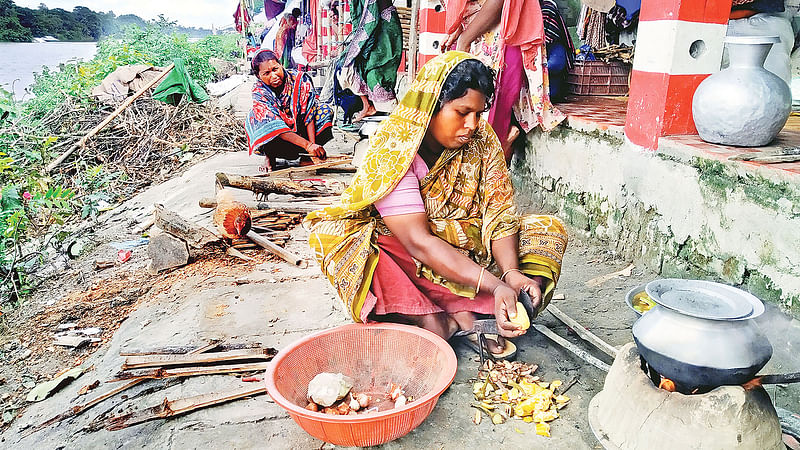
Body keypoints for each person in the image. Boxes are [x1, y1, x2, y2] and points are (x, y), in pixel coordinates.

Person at [305, 52, 568, 358]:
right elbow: (418, 242)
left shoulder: (483, 140)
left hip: (473, 256)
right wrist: (494, 286)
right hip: (417, 257)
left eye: (478, 114)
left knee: (547, 231)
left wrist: (510, 274)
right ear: (432, 107)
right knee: (343, 240)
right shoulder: (395, 146)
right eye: (461, 112)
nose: (471, 124)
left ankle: (464, 316)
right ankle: (437, 317)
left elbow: (500, 213)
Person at [443, 0, 565, 163]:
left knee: (487, 123)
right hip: (474, 33)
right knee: (464, 116)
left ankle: (497, 160)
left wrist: (465, 39)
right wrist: (459, 28)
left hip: (501, 35)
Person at [245, 49, 333, 172]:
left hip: (302, 134)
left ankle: (306, 157)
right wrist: (308, 146)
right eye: (267, 73)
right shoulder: (259, 91)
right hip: (279, 141)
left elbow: (309, 113)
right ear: (258, 76)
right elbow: (274, 127)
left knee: (324, 110)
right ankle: (270, 157)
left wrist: (311, 148)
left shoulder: (300, 80)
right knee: (257, 116)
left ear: (281, 65)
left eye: (275, 69)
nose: (273, 76)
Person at [334, 0, 403, 122]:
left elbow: (371, 16)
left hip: (385, 31)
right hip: (371, 30)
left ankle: (393, 115)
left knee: (377, 74)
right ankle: (368, 106)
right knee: (347, 68)